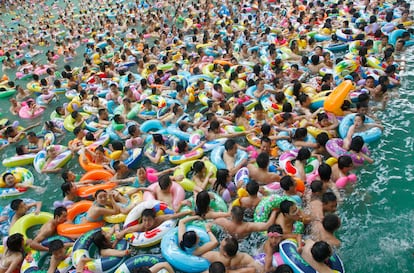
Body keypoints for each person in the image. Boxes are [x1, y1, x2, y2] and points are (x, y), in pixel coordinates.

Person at [116, 207, 191, 240]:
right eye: (144, 220)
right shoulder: (142, 226)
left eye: (149, 220)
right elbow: (128, 229)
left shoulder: (159, 219)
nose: (146, 223)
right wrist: (120, 234)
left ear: (154, 219)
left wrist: (188, 212)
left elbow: (174, 216)